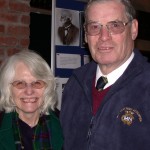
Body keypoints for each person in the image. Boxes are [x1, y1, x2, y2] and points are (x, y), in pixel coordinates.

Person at [60, 0, 150, 150]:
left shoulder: (146, 87)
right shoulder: (75, 84)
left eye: (115, 25)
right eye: (94, 27)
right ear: (86, 35)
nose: (104, 36)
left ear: (133, 29)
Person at [0, 50, 63, 150]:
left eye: (37, 83)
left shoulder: (64, 123)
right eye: (20, 83)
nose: (29, 91)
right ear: (8, 89)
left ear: (47, 87)